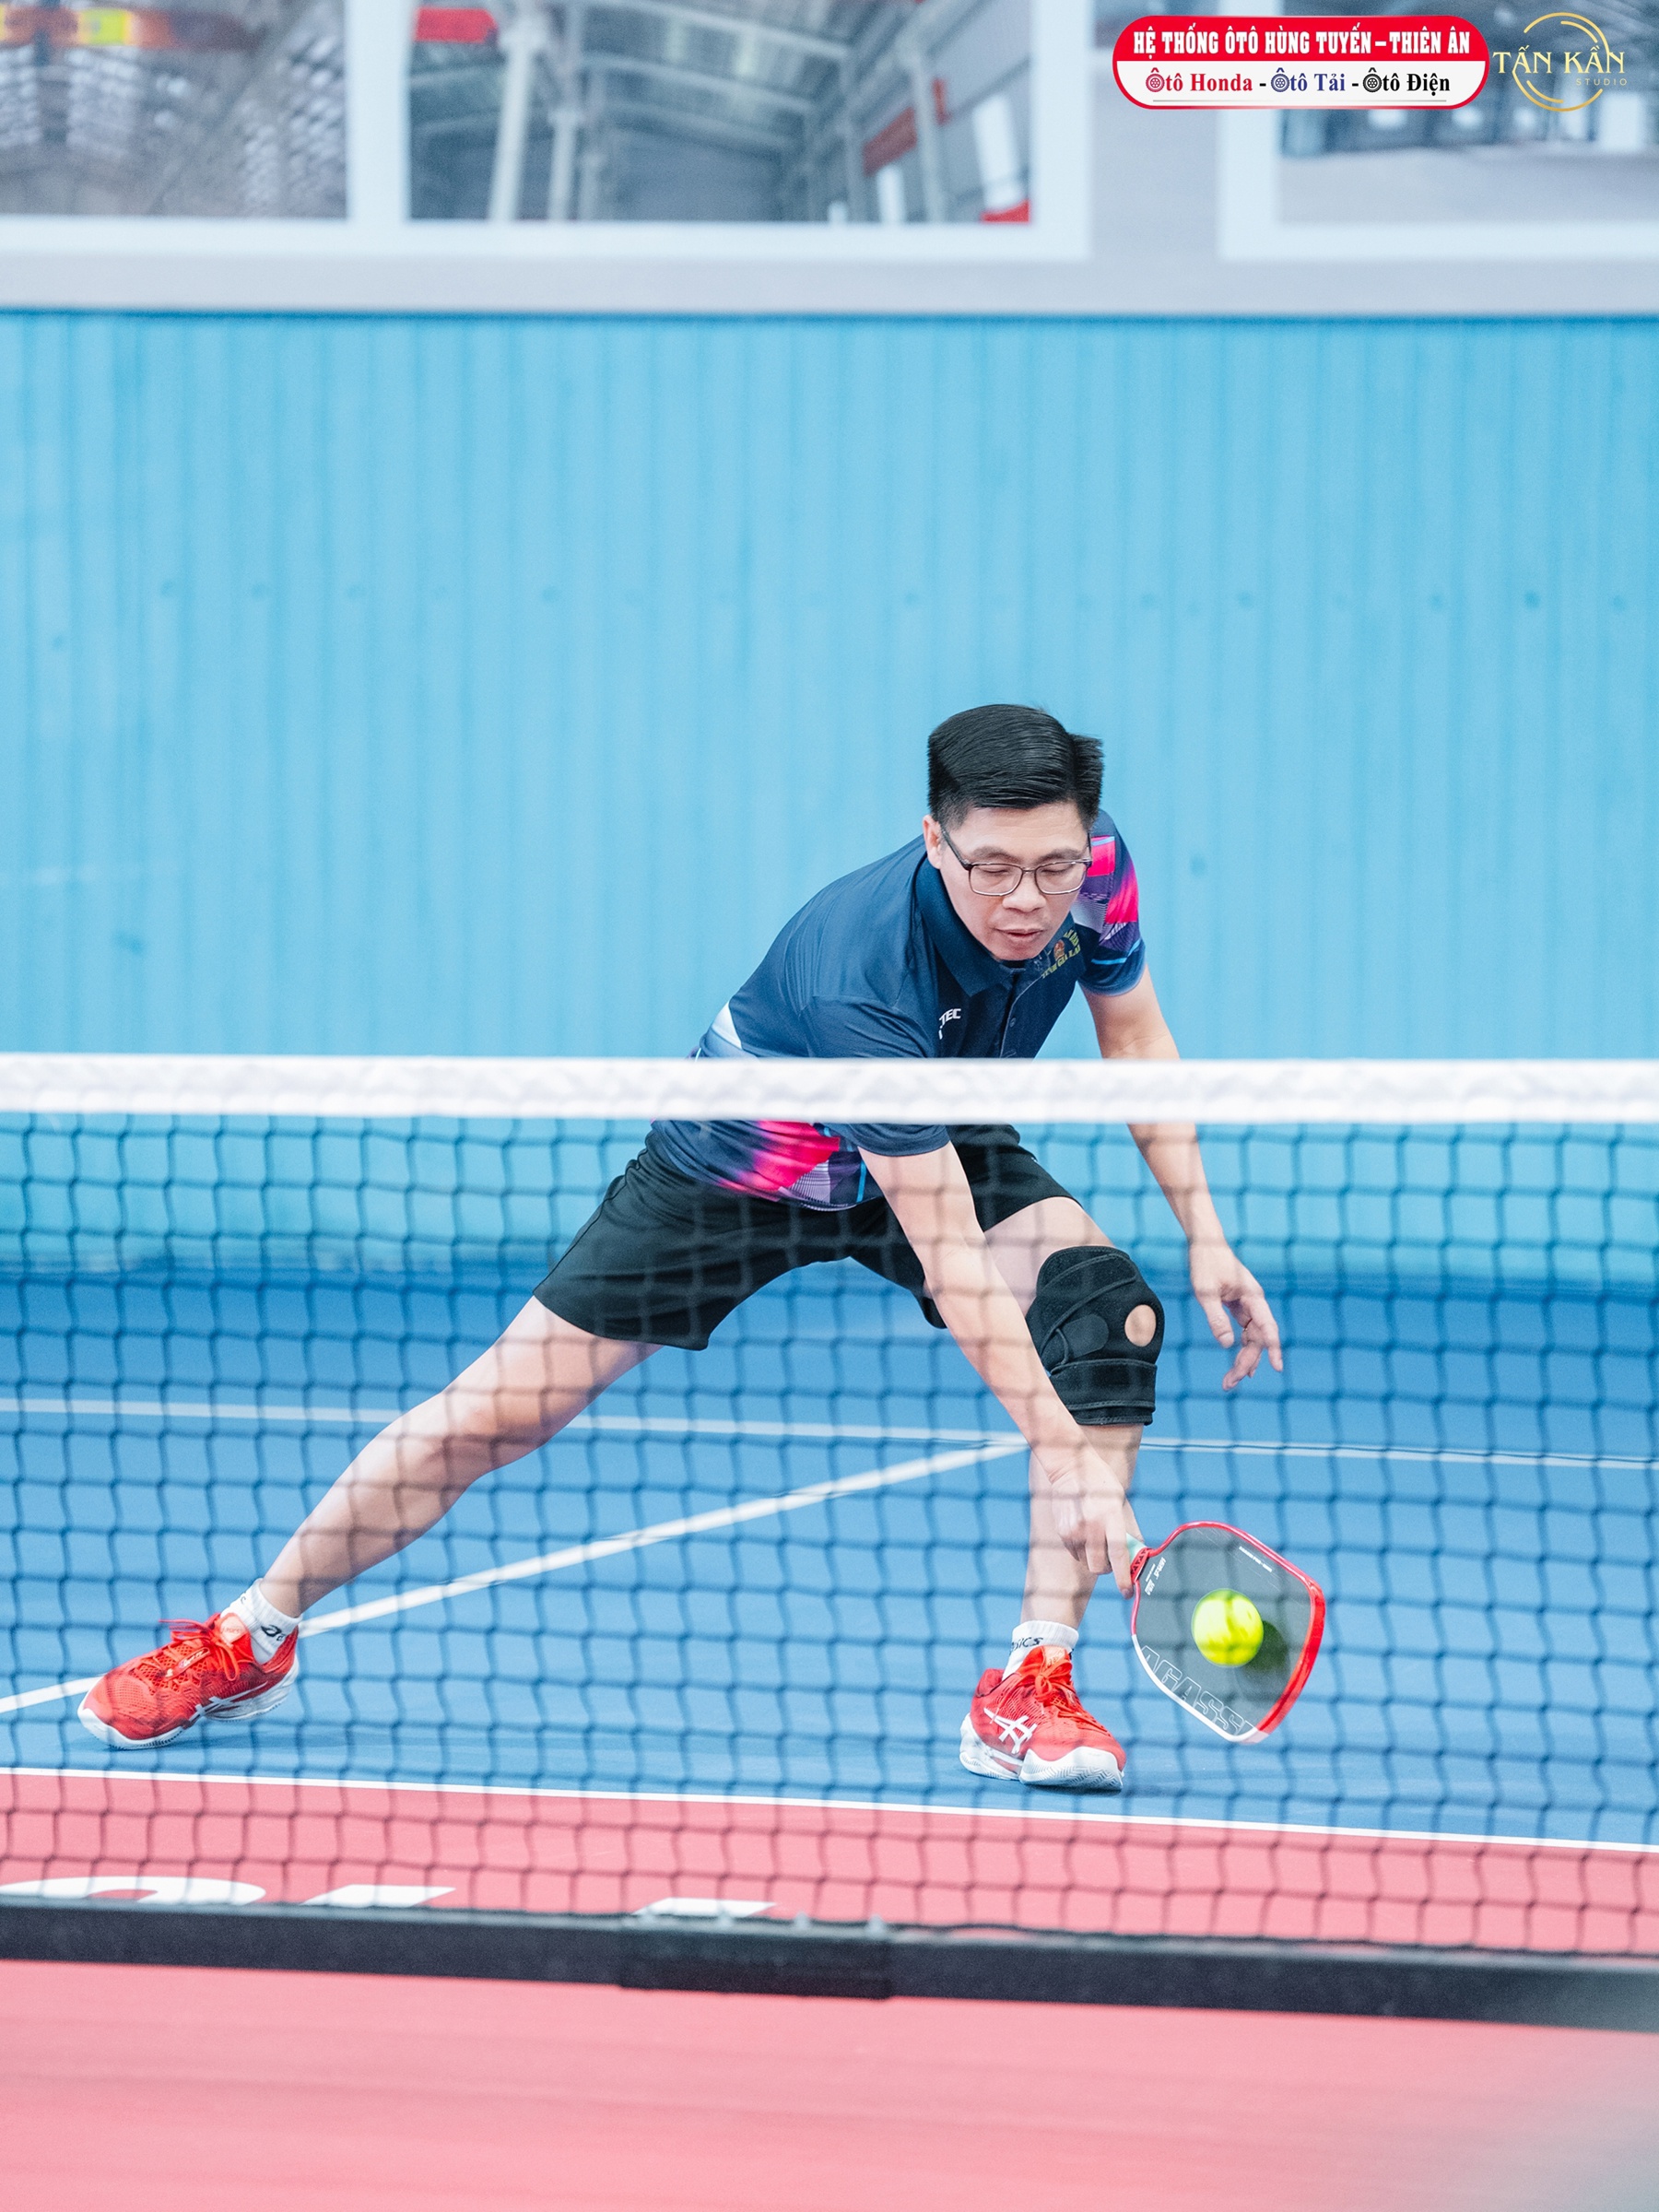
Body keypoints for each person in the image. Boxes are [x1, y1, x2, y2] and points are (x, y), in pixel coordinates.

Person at [81, 704, 1282, 1792]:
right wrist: (1068, 1460)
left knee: (1105, 1312)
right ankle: (251, 1633)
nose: (1028, 898)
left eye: (1052, 866)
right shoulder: (864, 975)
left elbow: (1135, 1040)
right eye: (994, 870)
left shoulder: (1095, 872)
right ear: (934, 841)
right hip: (739, 1169)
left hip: (935, 1134)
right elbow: (955, 1260)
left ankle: (1032, 1681)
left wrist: (1207, 1235)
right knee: (489, 1417)